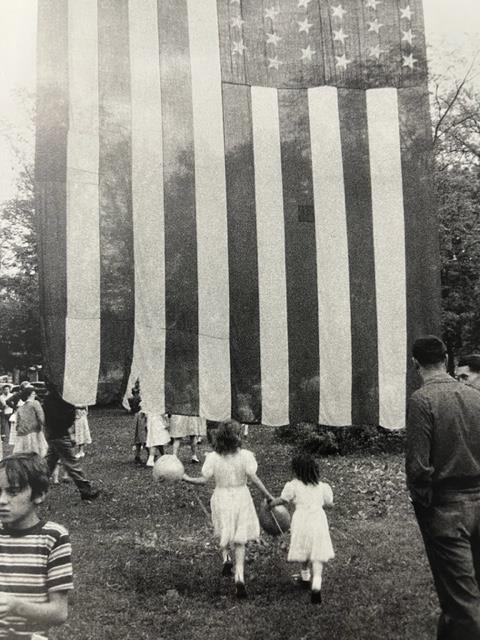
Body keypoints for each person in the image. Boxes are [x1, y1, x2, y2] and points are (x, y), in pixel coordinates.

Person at [406, 335, 480, 639]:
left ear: (415, 364)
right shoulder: (476, 395)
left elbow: (418, 466)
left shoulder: (421, 400)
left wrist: (424, 502)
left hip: (445, 509)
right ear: (447, 359)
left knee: (463, 603)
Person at [182, 420, 273, 599]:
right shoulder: (246, 456)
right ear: (238, 437)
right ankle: (239, 576)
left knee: (223, 529)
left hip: (221, 497)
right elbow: (254, 479)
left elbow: (203, 480)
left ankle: (225, 558)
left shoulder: (214, 458)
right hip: (241, 497)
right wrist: (268, 496)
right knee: (240, 539)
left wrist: (186, 478)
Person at [0, 452, 73, 638]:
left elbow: (59, 613)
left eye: (13, 492)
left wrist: (15, 606)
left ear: (39, 494)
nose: (2, 500)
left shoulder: (53, 538)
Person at [269, 453, 334, 604]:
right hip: (318, 519)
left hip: (301, 520)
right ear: (314, 470)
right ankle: (316, 583)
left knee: (305, 548)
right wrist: (328, 504)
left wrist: (271, 504)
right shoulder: (322, 487)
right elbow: (329, 503)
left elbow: (283, 500)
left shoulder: (293, 486)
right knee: (317, 552)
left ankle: (305, 578)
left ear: (296, 471)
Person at [43, 383, 100, 501]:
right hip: (59, 435)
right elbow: (64, 418)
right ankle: (86, 491)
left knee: (49, 465)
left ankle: (32, 489)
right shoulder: (57, 400)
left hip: (54, 435)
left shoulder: (51, 399)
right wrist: (71, 411)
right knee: (71, 463)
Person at [13, 385, 48, 458]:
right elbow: (41, 418)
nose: (35, 395)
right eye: (34, 393)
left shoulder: (20, 407)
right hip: (34, 432)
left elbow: (17, 424)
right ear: (30, 394)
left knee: (23, 454)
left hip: (22, 434)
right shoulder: (35, 403)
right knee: (38, 453)